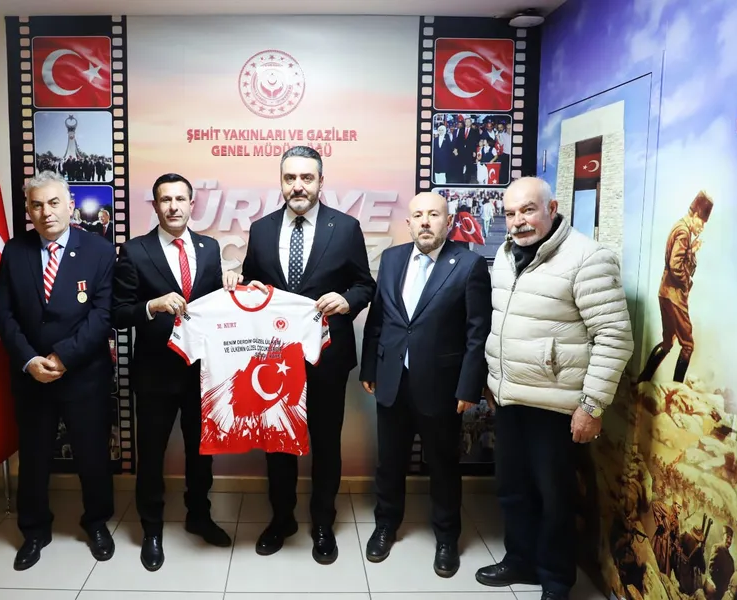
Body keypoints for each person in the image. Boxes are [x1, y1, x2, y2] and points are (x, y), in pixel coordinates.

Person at [476, 177, 634, 600]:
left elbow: (615, 337)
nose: (518, 221)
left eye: (528, 210)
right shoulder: (506, 256)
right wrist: (493, 379)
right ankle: (520, 560)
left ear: (552, 208)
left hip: (556, 406)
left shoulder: (588, 258)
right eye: (510, 213)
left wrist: (591, 405)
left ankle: (556, 580)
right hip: (510, 398)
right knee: (513, 490)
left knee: (554, 498)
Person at [222, 145, 375, 564]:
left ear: (321, 181)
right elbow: (255, 286)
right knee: (278, 442)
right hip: (273, 359)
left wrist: (347, 300)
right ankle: (282, 518)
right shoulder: (262, 228)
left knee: (325, 442)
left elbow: (365, 285)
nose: (298, 186)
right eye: (290, 178)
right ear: (281, 181)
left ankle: (322, 522)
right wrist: (241, 282)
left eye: (307, 177)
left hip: (327, 355)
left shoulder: (345, 227)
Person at [359, 192, 491, 577]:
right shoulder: (392, 259)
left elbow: (477, 332)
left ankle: (447, 538)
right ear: (409, 223)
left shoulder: (468, 264)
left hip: (442, 387)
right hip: (392, 381)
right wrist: (370, 366)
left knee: (444, 465)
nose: (425, 222)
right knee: (389, 462)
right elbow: (379, 318)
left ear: (449, 222)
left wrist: (468, 387)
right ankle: (386, 525)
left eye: (434, 215)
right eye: (418, 215)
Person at [0, 170, 116, 571]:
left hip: (83, 374)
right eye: (37, 205)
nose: (46, 212)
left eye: (53, 203)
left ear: (70, 205)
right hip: (32, 376)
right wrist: (30, 360)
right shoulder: (15, 251)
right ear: (28, 209)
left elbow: (102, 315)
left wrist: (63, 357)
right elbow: (4, 315)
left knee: (92, 455)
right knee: (33, 457)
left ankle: (96, 523)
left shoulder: (99, 251)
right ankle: (34, 530)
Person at [111, 173, 230, 571]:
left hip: (202, 372)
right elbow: (118, 313)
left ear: (192, 204)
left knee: (201, 452)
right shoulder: (135, 251)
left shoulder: (210, 249)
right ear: (156, 205)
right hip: (155, 373)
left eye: (181, 199)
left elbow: (217, 307)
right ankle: (152, 528)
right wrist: (152, 306)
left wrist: (233, 285)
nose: (174, 206)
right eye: (166, 199)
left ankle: (199, 515)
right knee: (152, 455)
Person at [637, 192, 713, 384]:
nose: (702, 227)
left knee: (667, 343)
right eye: (702, 222)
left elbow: (677, 257)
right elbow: (675, 265)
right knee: (688, 345)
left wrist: (692, 250)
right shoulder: (683, 232)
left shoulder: (680, 227)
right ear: (695, 214)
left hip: (665, 293)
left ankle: (643, 380)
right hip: (674, 296)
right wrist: (686, 283)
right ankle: (677, 389)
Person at [708, 526, 735, 599]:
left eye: (731, 539)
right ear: (723, 537)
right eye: (727, 537)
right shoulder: (717, 548)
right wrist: (719, 586)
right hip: (715, 591)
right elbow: (711, 569)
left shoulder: (731, 559)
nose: (729, 540)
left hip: (724, 594)